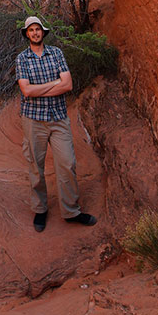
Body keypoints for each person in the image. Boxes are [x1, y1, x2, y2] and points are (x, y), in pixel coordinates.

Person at [16, 16, 97, 232]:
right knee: (36, 166)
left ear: (43, 32)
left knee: (67, 163)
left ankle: (71, 211)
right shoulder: (22, 59)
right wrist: (54, 84)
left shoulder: (56, 53)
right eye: (31, 30)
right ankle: (40, 209)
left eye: (38, 29)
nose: (35, 33)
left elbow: (68, 84)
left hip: (58, 117)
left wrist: (40, 88)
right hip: (33, 120)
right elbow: (26, 91)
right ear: (26, 34)